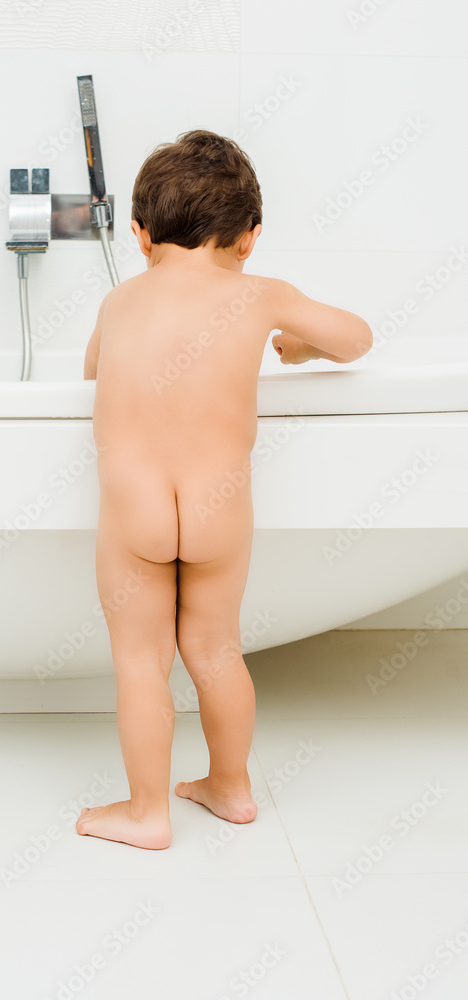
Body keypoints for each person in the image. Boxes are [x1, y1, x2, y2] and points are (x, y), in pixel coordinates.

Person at [77, 130, 372, 849]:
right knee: (214, 650)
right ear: (249, 238)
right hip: (218, 511)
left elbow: (90, 371)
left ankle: (146, 813)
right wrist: (297, 345)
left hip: (134, 512)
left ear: (140, 235)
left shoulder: (120, 302)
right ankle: (230, 786)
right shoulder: (258, 294)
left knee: (141, 660)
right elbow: (356, 339)